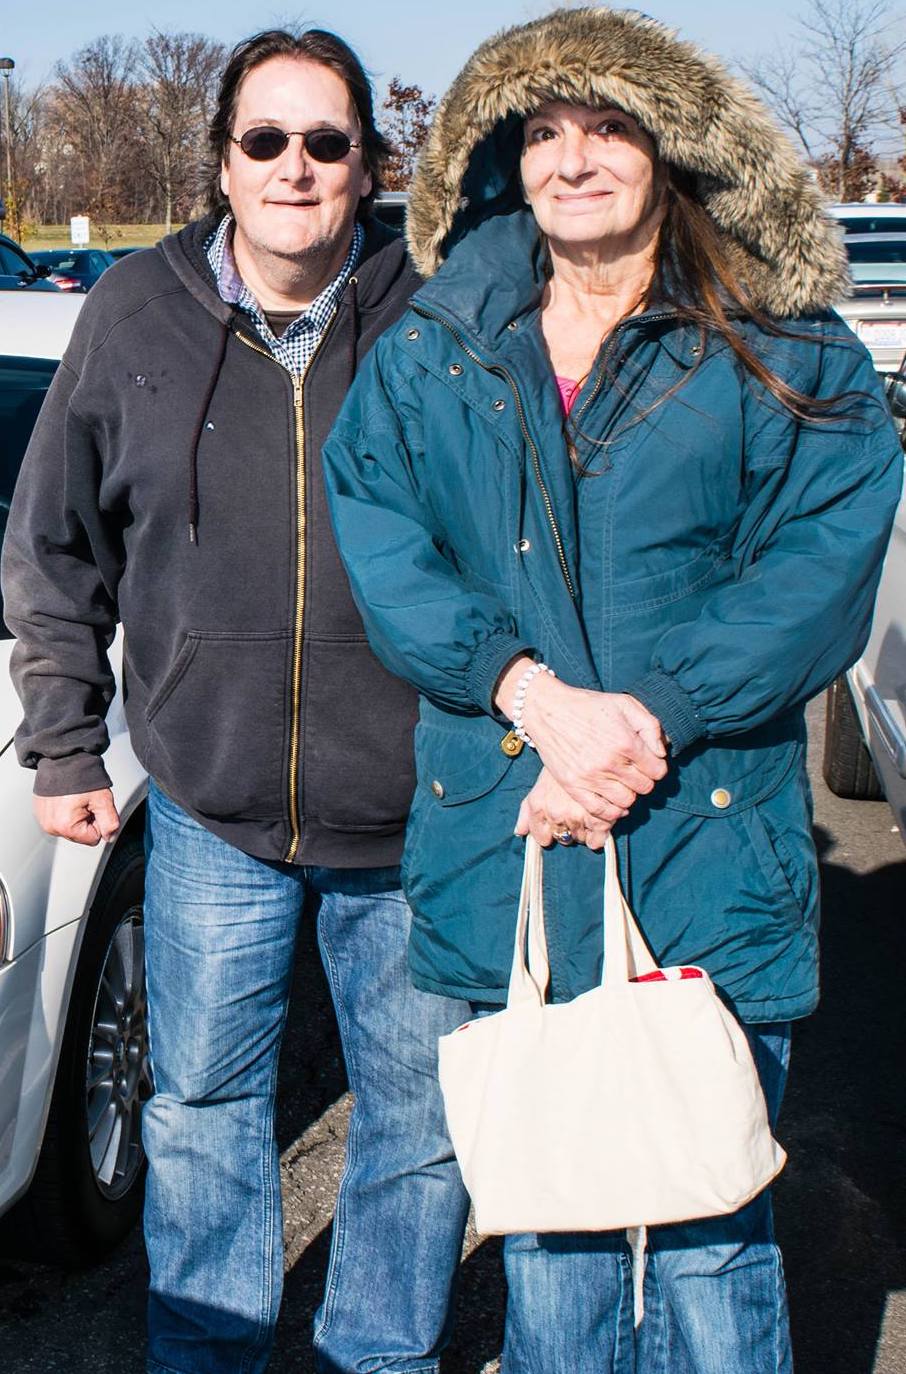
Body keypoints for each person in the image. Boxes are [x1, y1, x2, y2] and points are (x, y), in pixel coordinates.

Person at [322, 8, 903, 1372]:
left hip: (699, 826)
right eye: (540, 132)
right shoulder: (437, 342)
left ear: (672, 151)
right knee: (553, 1226)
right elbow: (377, 528)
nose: (571, 158)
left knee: (708, 1218)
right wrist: (528, 692)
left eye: (606, 127)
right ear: (501, 162)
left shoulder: (780, 344)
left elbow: (819, 560)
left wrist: (642, 714)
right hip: (506, 829)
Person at [1, 28, 471, 1374]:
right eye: (264, 139)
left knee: (417, 1122)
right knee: (201, 1108)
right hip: (211, 816)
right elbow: (53, 545)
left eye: (325, 142)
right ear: (221, 160)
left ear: (367, 168)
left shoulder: (435, 315)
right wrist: (63, 734)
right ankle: (205, 1355)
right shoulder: (130, 313)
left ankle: (378, 1353)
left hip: (415, 818)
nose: (293, 167)